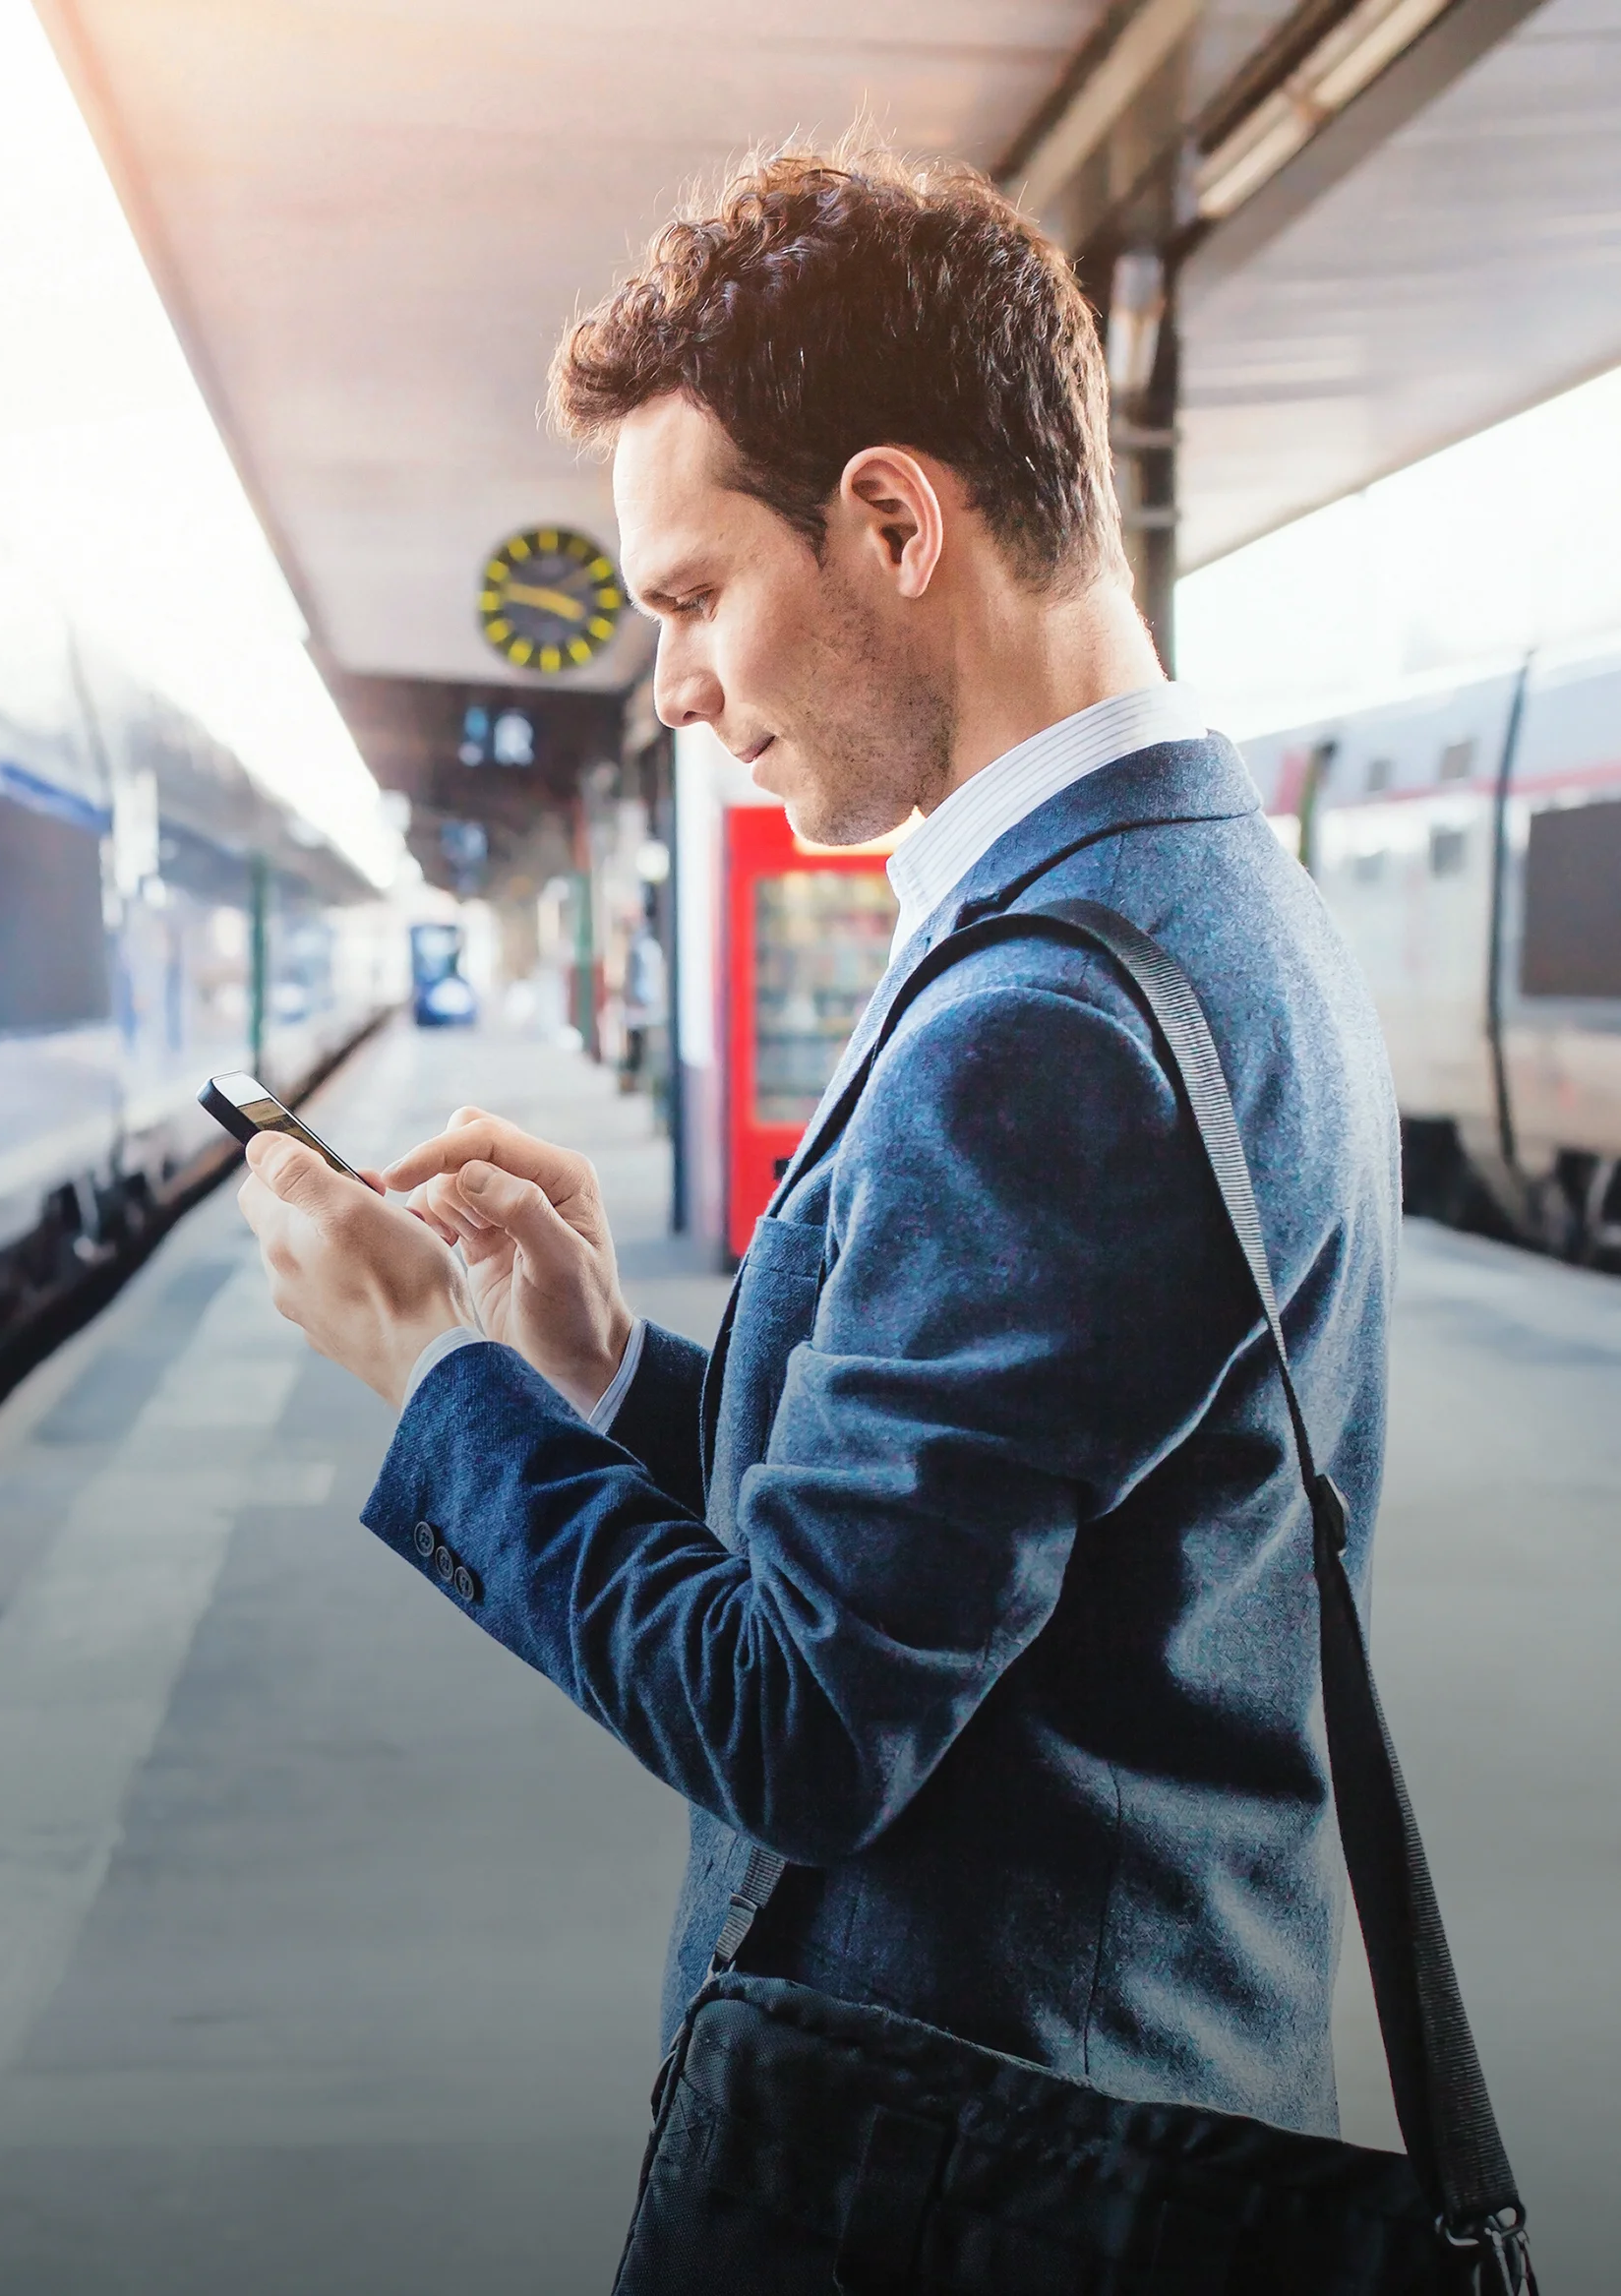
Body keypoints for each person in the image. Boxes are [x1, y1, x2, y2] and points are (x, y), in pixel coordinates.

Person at [237, 146, 1398, 2135]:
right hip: (1108, 2092)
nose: (675, 688)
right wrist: (594, 1366)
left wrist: (436, 1380)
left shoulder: (1039, 1024)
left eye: (691, 598)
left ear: (888, 518)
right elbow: (965, 1553)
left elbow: (802, 1723)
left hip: (981, 2166)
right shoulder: (1196, 892)